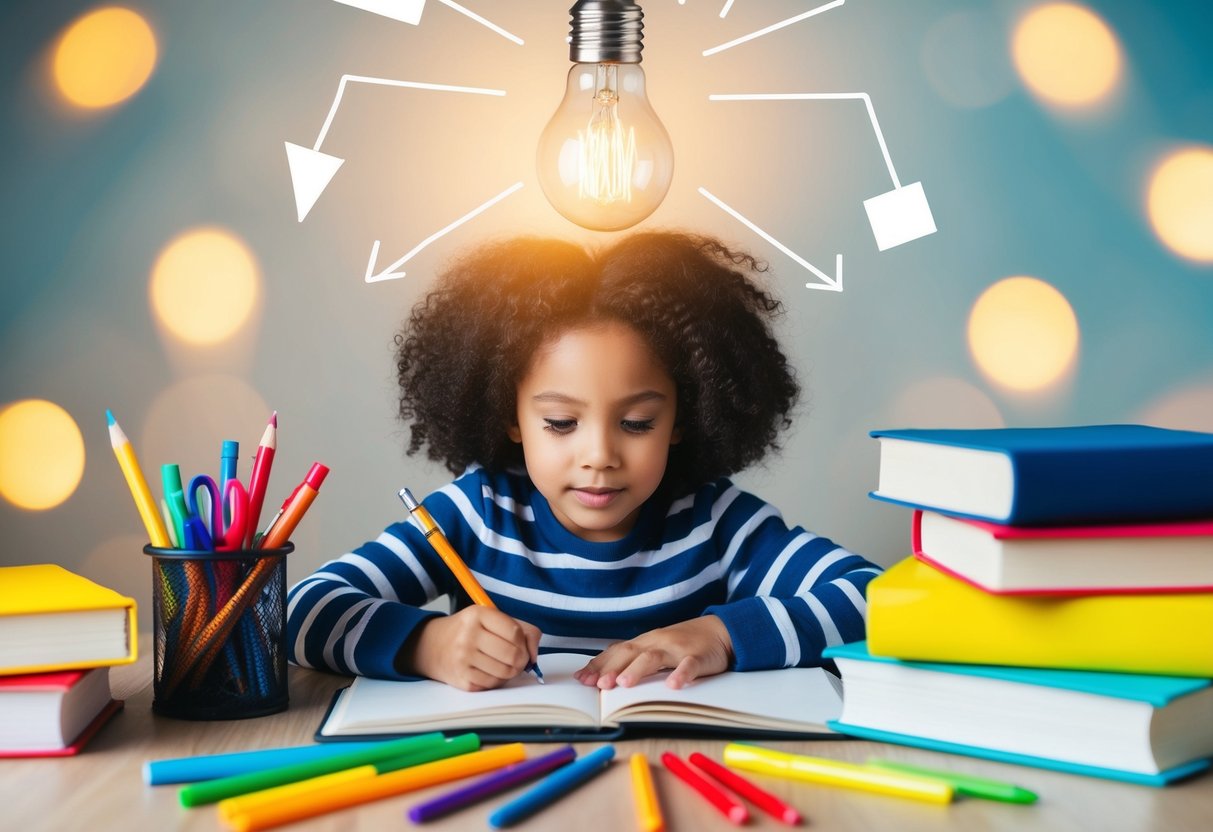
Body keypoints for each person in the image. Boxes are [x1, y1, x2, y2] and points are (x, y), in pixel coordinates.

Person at [286, 231, 881, 691]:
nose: (599, 456)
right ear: (509, 417)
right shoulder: (476, 513)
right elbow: (301, 610)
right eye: (561, 423)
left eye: (637, 423)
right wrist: (428, 645)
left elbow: (872, 596)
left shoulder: (716, 522)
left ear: (685, 416)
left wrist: (720, 635)